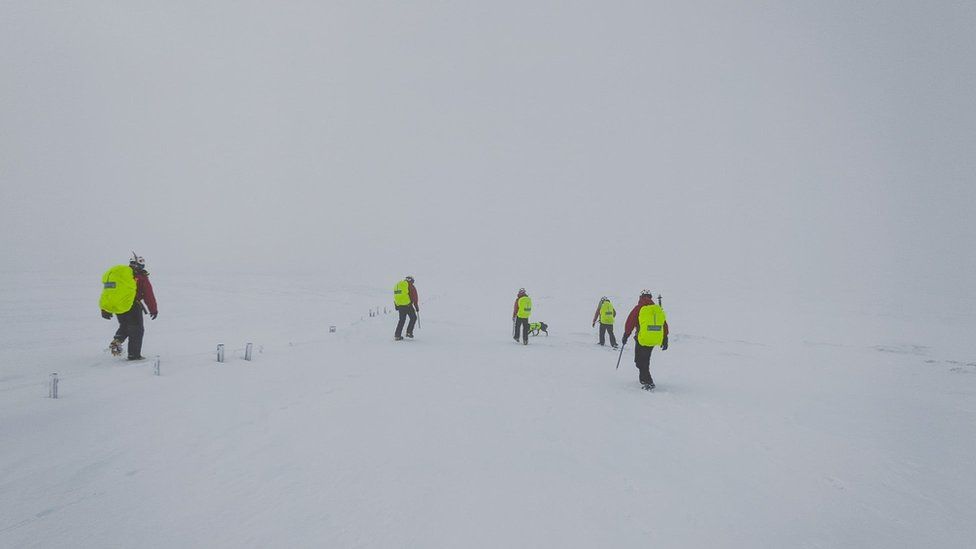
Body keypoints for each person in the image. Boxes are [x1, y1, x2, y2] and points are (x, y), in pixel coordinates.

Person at [101, 254, 158, 361]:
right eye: (142, 264)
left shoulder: (120, 276)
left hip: (120, 305)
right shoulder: (141, 277)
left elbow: (108, 293)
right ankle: (134, 355)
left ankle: (117, 341)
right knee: (137, 330)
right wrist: (153, 309)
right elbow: (148, 294)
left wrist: (105, 309)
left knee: (125, 325)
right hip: (133, 306)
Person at [621, 290, 669, 389]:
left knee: (639, 361)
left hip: (641, 339)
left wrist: (626, 335)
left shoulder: (639, 308)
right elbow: (663, 324)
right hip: (653, 339)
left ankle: (648, 382)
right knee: (645, 360)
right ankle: (643, 378)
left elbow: (630, 322)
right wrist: (665, 338)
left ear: (641, 297)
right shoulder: (657, 309)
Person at [393, 276, 419, 340]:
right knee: (413, 318)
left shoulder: (398, 285)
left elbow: (396, 296)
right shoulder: (410, 286)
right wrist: (416, 306)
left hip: (400, 306)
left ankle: (397, 335)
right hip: (407, 305)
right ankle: (409, 332)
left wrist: (396, 306)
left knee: (402, 320)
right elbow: (414, 297)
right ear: (411, 281)